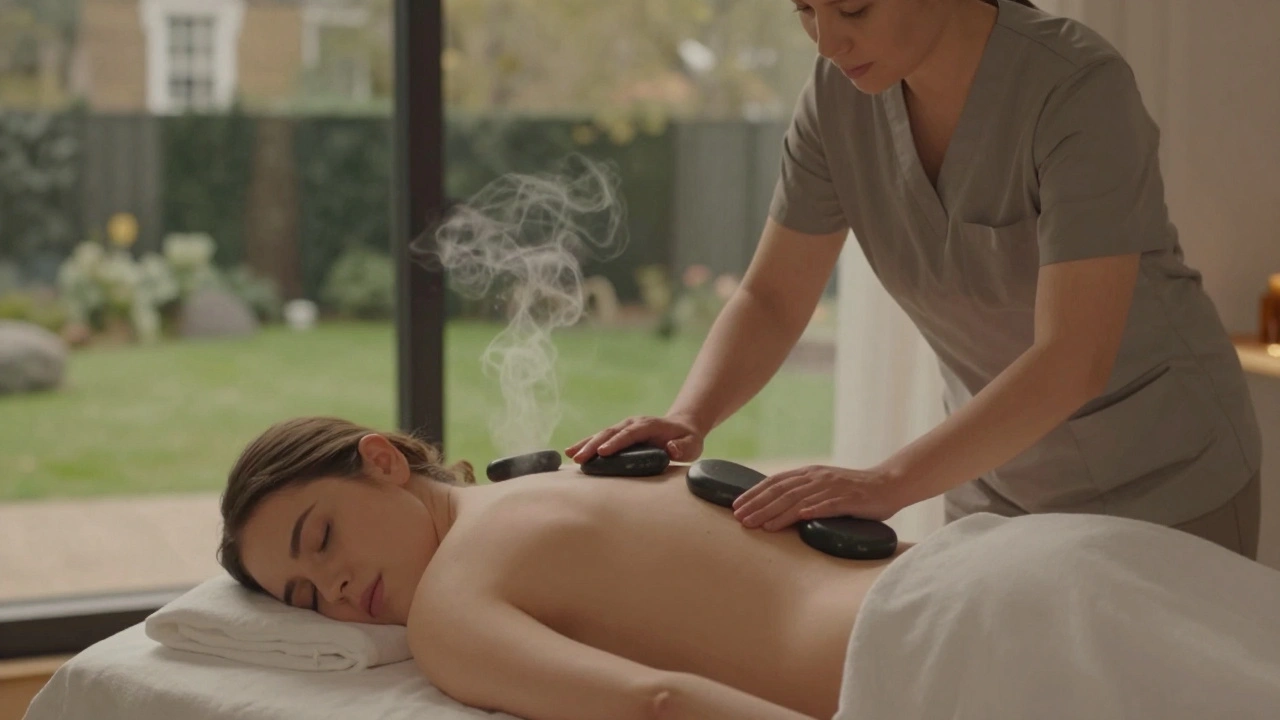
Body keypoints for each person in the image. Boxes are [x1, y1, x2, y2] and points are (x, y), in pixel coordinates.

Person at [568, 0, 1262, 559]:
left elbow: (1073, 357)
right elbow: (773, 297)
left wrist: (885, 482)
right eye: (805, 10)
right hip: (996, 481)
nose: (827, 42)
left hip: (1165, 477)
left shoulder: (1077, 88)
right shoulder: (836, 102)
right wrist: (691, 416)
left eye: (854, 9)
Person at [219, 417, 1280, 720]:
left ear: (378, 462)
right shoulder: (583, 464)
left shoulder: (452, 606)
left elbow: (656, 703)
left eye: (321, 541)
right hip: (1027, 560)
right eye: (302, 597)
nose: (340, 593)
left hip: (940, 654)